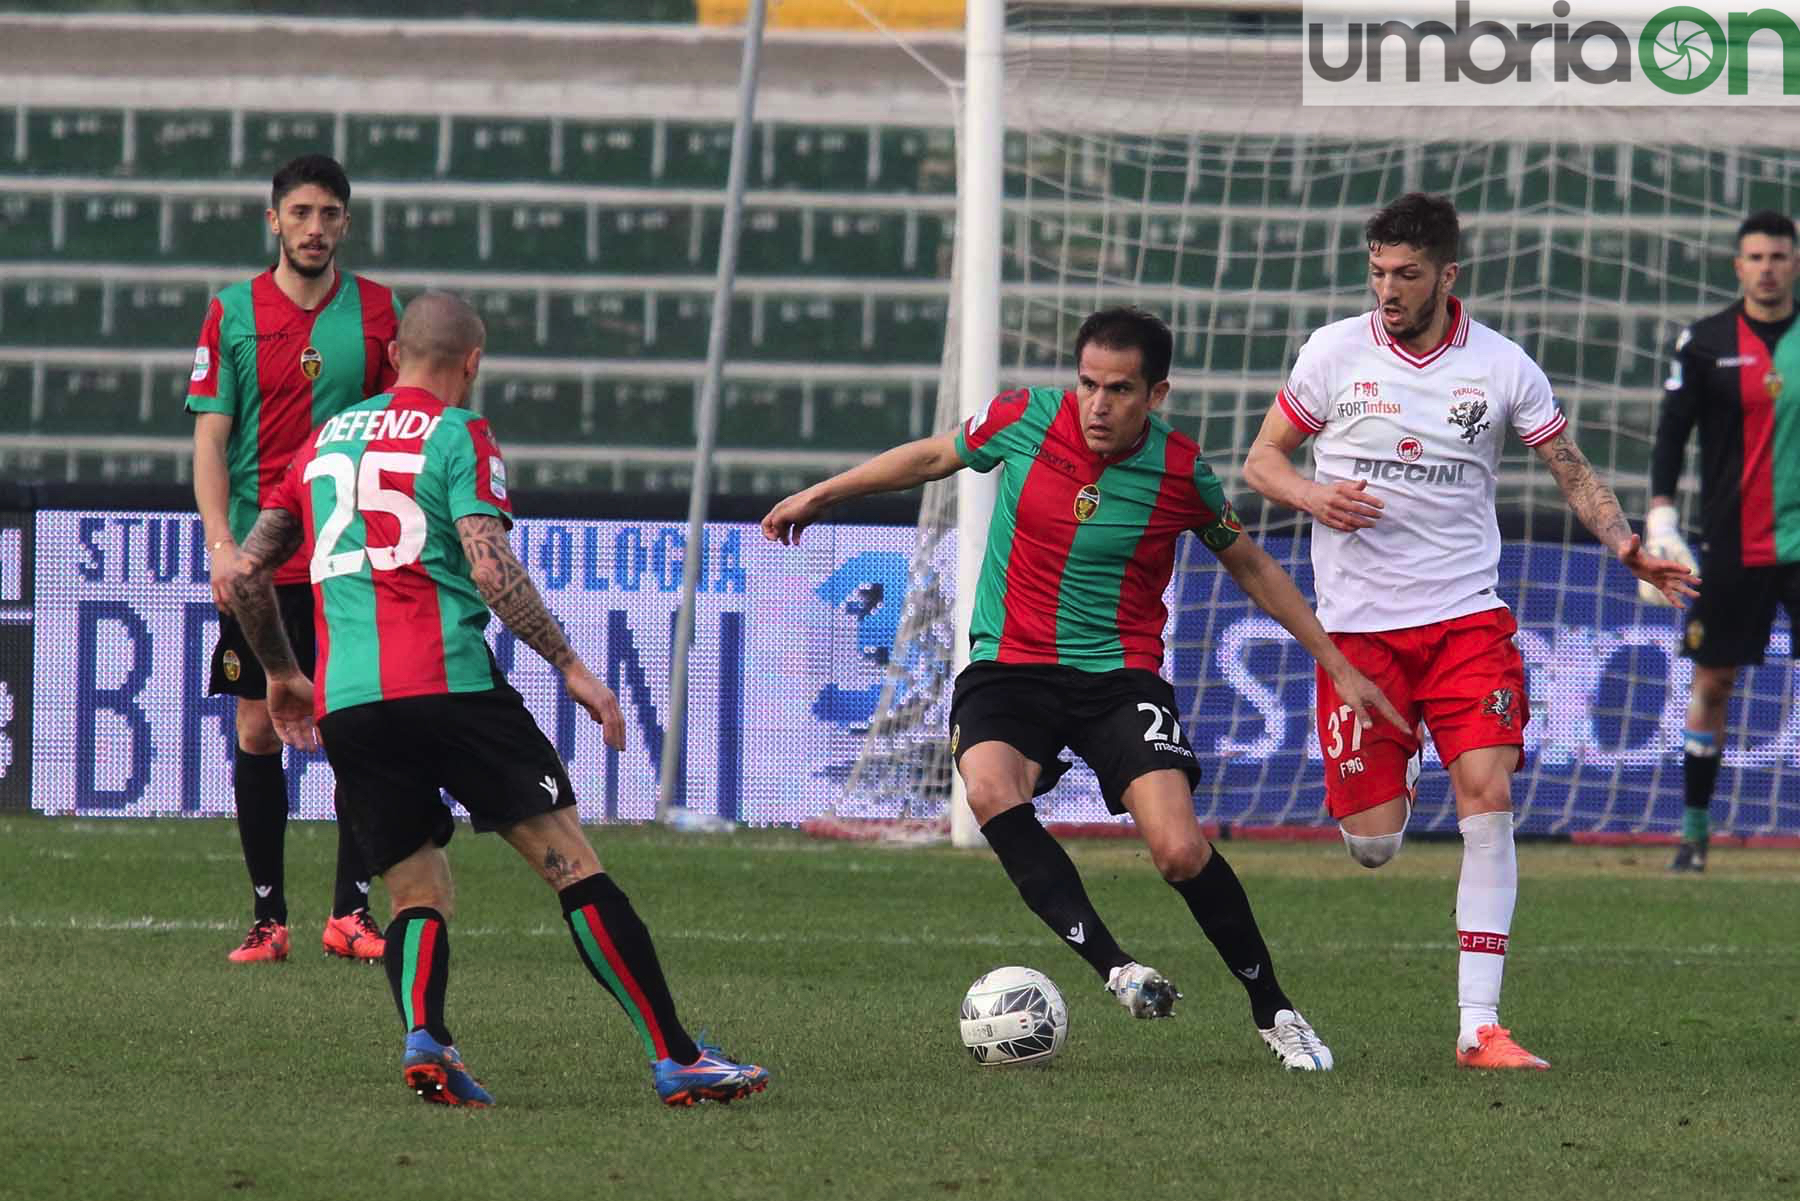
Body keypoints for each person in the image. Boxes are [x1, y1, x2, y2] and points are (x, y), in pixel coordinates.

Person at [762, 306, 1405, 1072]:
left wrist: (1336, 663)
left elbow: (1252, 564)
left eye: (1120, 390)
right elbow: (934, 457)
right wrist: (823, 494)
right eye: (1089, 384)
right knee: (991, 789)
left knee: (1176, 850)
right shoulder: (1025, 417)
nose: (1098, 405)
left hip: (1117, 677)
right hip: (1009, 666)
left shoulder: (1181, 472)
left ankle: (1275, 1010)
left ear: (1155, 395)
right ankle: (1117, 968)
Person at [222, 291, 768, 1109]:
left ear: (395, 353)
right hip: (450, 685)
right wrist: (572, 665)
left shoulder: (322, 441)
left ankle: (428, 1039)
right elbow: (487, 564)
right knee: (571, 864)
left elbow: (245, 572)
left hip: (351, 706)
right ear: (471, 362)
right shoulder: (459, 432)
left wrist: (280, 672)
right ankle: (678, 1057)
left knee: (415, 892)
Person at [1242, 192, 1699, 1070]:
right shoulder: (1333, 353)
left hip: (1464, 622)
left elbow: (1570, 468)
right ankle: (1397, 769)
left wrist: (1624, 545)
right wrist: (1312, 494)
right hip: (1358, 637)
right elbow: (1263, 461)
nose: (1387, 289)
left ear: (1447, 276)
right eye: (1377, 271)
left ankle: (1477, 1026)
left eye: (1406, 274)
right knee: (1374, 842)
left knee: (1488, 798)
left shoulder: (1502, 368)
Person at [187, 153, 401, 964]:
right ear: (272, 219)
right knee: (257, 725)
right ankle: (267, 917)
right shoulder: (232, 311)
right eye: (301, 213)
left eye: (330, 215)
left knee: (357, 726)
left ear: (347, 224)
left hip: (352, 557)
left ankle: (351, 912)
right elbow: (210, 437)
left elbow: (403, 425)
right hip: (258, 561)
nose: (315, 228)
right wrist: (218, 543)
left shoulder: (381, 313)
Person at [1645, 210, 1800, 874]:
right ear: (1738, 266)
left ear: (1794, 263)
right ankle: (1694, 833)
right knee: (1712, 681)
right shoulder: (1705, 341)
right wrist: (1658, 516)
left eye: (1779, 256)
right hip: (1734, 545)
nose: (1767, 267)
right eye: (1755, 257)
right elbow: (1671, 432)